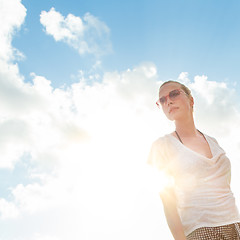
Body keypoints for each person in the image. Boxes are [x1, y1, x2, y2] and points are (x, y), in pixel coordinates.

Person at [147, 80, 240, 240]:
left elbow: (224, 185)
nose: (168, 101)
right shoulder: (163, 145)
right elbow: (168, 202)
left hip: (235, 225)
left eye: (174, 94)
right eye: (162, 100)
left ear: (191, 100)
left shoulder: (213, 141)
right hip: (201, 230)